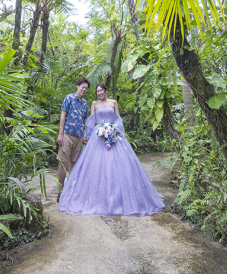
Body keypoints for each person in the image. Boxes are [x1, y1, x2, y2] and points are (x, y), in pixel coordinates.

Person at [58, 82, 164, 216]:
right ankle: (65, 190)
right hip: (98, 136)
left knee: (118, 166)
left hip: (113, 135)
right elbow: (90, 122)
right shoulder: (93, 104)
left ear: (105, 91)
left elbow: (118, 119)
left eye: (101, 90)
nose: (99, 93)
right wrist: (88, 136)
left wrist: (115, 130)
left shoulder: (113, 102)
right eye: (97, 91)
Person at [57, 77, 90, 200]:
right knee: (63, 162)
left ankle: (71, 190)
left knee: (74, 164)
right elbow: (63, 116)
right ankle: (60, 191)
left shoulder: (85, 103)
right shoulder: (69, 98)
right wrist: (60, 134)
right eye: (83, 87)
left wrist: (88, 135)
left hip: (79, 137)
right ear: (78, 86)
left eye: (86, 88)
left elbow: (86, 120)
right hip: (67, 134)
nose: (84, 90)